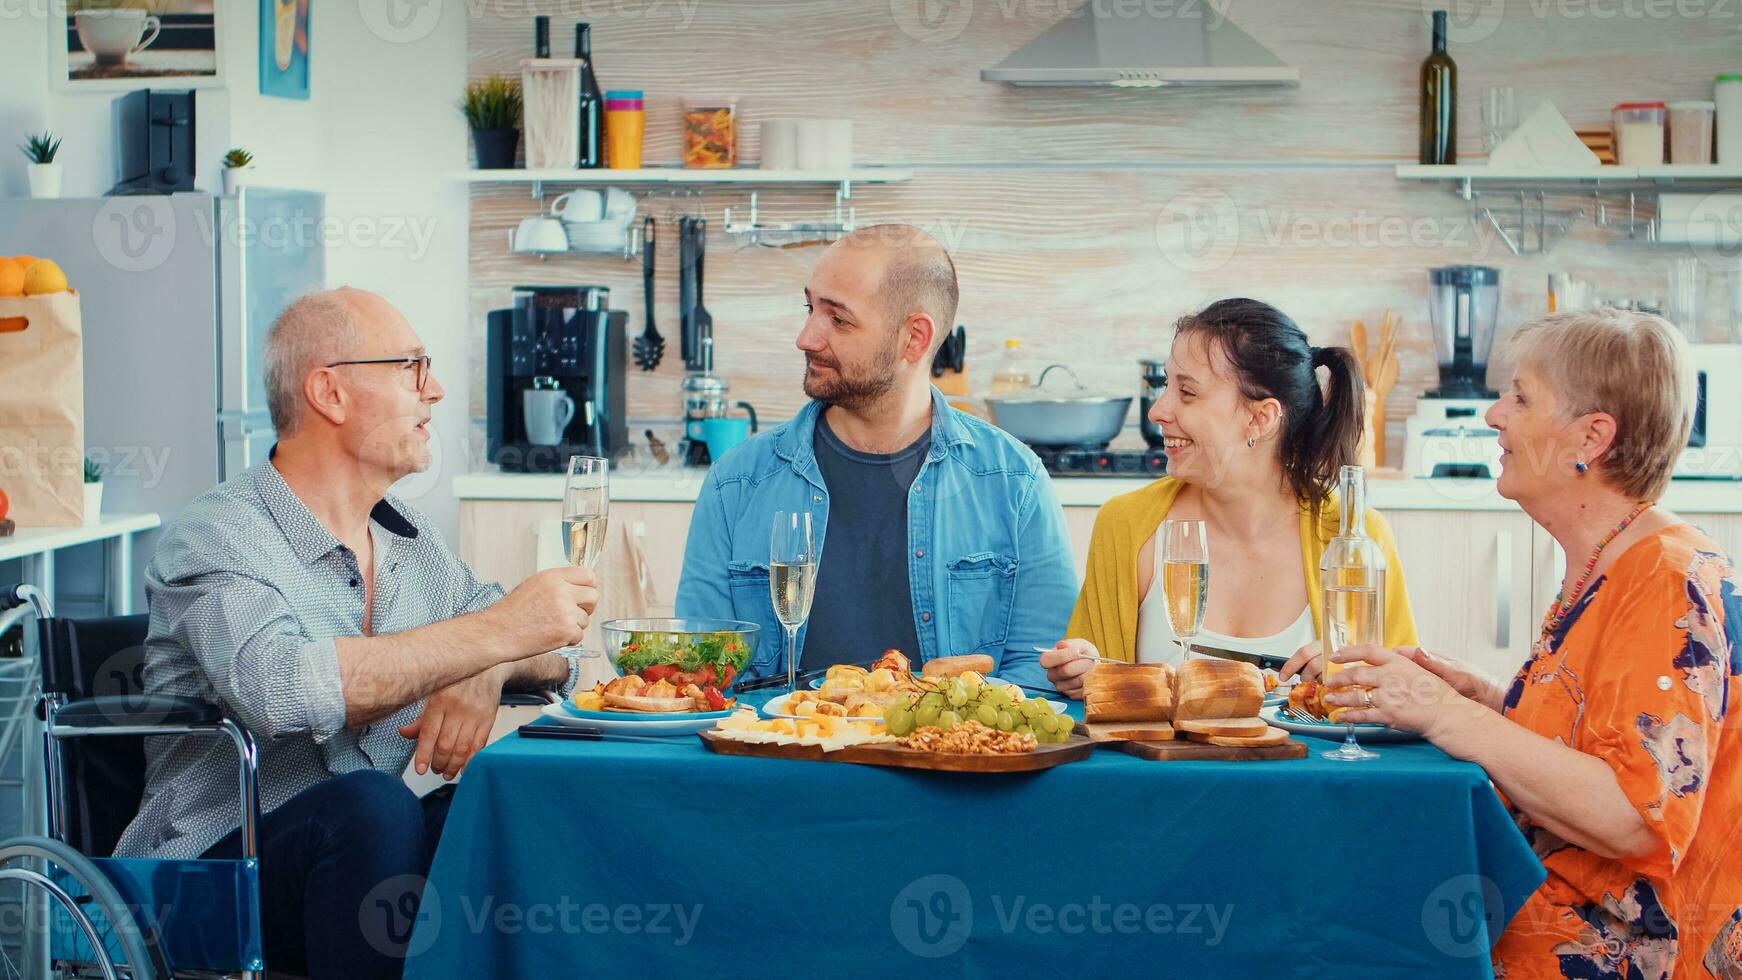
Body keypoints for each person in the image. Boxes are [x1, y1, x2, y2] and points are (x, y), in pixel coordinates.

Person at [115, 288, 600, 978]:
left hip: (355, 864)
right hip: (201, 883)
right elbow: (283, 691)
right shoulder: (219, 533)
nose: (434, 391)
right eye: (411, 367)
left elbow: (551, 648)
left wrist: (487, 664)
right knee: (372, 808)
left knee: (512, 807)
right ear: (329, 393)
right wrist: (493, 633)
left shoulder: (410, 542)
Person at [1320, 310, 1739, 978]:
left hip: (1625, 953)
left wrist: (1447, 713)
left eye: (1521, 397)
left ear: (1592, 437)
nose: (1494, 416)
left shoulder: (1661, 577)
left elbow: (1636, 816)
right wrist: (1481, 697)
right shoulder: (1611, 559)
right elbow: (1591, 745)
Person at [675, 224, 1076, 688]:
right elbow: (700, 674)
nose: (806, 337)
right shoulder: (736, 483)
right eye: (811, 308)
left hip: (941, 758)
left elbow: (1040, 671)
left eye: (838, 319)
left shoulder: (1013, 480)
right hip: (779, 756)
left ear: (915, 339)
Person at [1041, 298, 1418, 698]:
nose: (1157, 411)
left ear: (1260, 418)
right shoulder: (1128, 524)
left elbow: (1408, 699)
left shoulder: (1355, 538)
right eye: (1166, 385)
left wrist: (1358, 678)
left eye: (1186, 392)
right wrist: (1078, 672)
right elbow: (1094, 704)